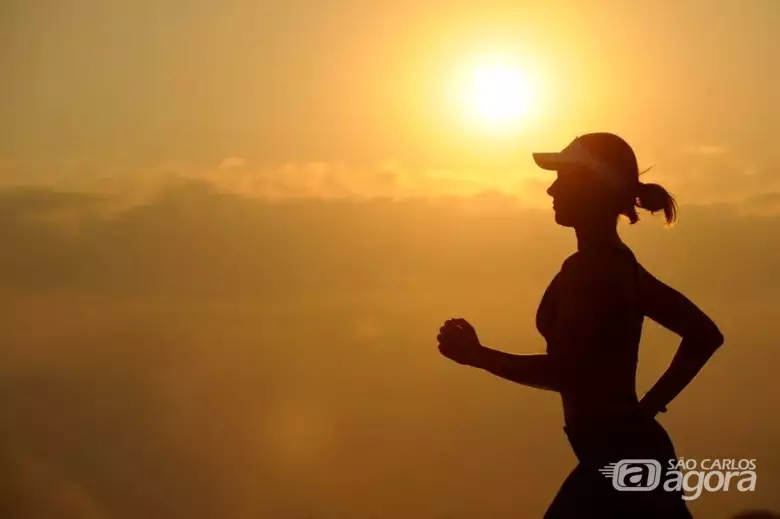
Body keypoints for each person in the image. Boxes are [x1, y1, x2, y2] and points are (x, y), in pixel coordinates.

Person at [436, 133, 724, 518]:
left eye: (563, 178)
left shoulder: (593, 270)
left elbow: (567, 372)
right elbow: (704, 335)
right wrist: (645, 411)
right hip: (624, 456)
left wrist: (479, 356)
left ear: (593, 188)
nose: (551, 189)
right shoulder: (621, 264)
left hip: (618, 462)